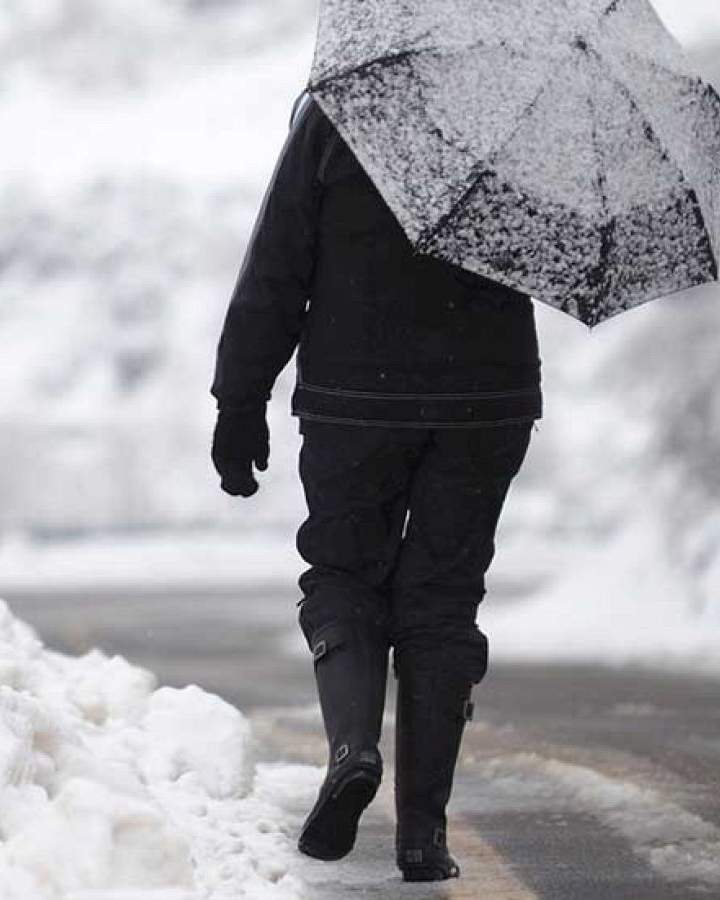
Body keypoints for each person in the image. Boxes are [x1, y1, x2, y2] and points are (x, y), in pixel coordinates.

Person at [210, 91, 541, 883]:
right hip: (485, 401)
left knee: (345, 574)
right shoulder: (530, 110)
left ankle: (354, 751)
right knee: (444, 600)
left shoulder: (345, 106)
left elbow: (280, 261)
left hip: (356, 397)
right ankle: (424, 838)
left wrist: (240, 398)